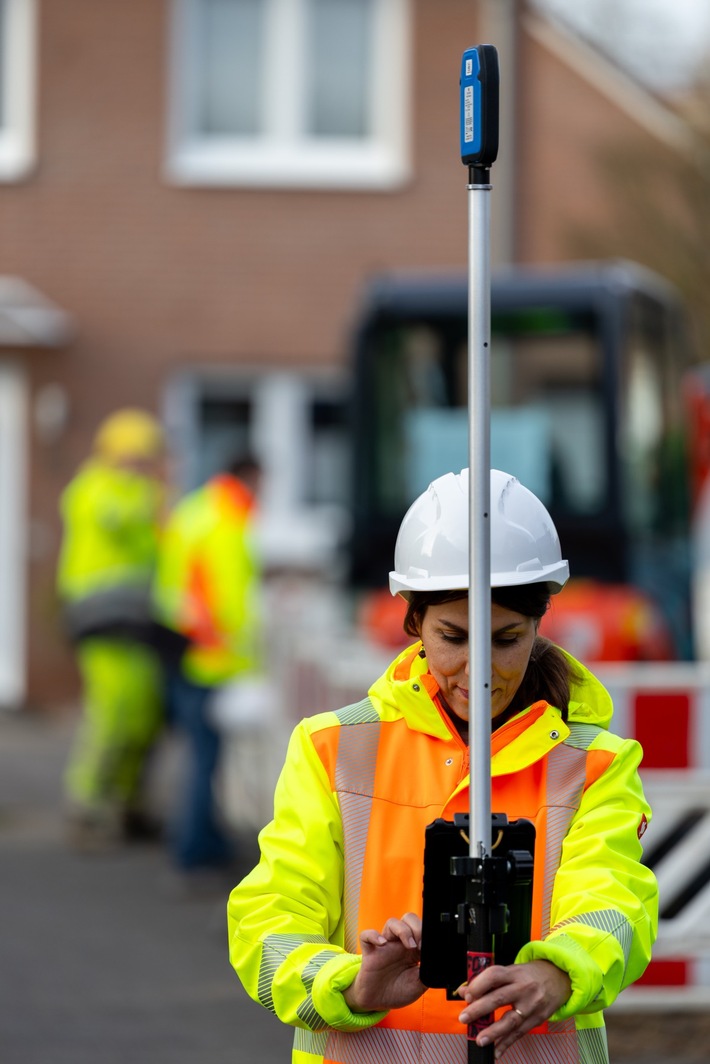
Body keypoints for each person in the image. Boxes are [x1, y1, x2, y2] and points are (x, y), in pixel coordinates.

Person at [227, 468, 658, 1063]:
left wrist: (560, 973)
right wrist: (349, 984)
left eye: (506, 640)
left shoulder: (594, 765)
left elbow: (615, 905)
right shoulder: (332, 748)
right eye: (454, 637)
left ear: (539, 625)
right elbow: (270, 917)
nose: (478, 669)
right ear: (414, 623)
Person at [58, 407, 167, 851]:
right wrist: (152, 496)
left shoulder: (142, 494)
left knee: (142, 715)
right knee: (111, 712)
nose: (141, 465)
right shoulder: (93, 487)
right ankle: (86, 807)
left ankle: (126, 803)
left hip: (136, 621)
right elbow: (115, 517)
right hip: (99, 619)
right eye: (135, 455)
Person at [153, 454, 263, 875]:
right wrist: (247, 654)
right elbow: (230, 597)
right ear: (249, 477)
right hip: (209, 656)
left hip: (182, 646)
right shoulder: (226, 519)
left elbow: (173, 585)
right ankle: (194, 848)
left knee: (200, 755)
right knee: (205, 758)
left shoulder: (195, 509)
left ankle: (204, 838)